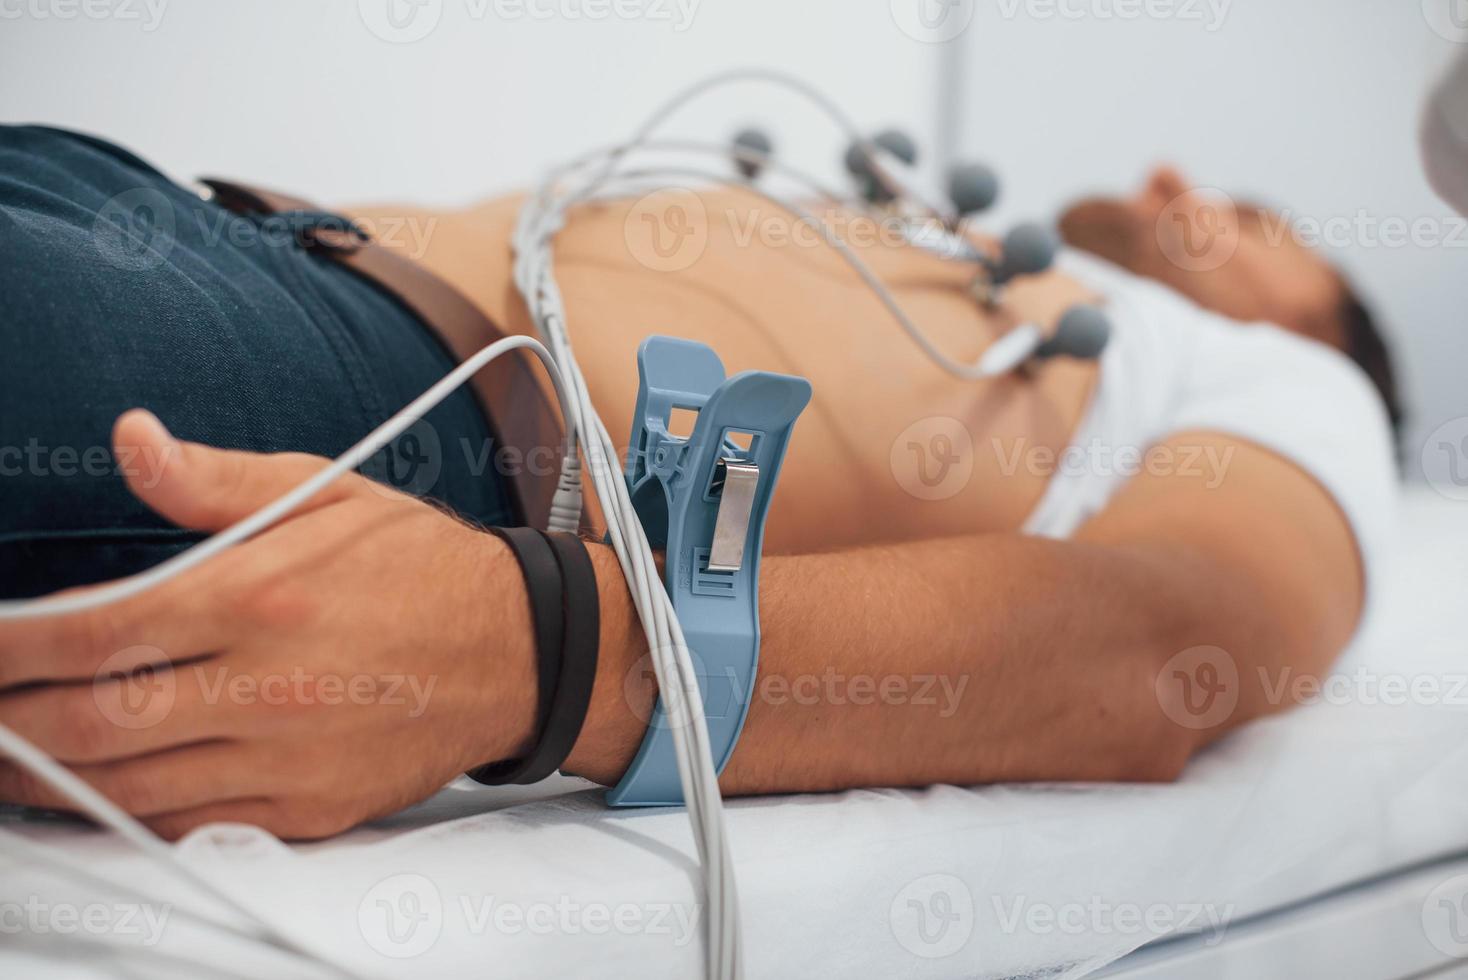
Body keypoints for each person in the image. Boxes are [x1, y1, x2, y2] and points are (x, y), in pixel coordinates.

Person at [0, 126, 1396, 841]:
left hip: (371, 398)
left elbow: (1162, 645)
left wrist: (532, 644)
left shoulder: (1291, 386)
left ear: (1323, 325)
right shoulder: (983, 242)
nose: (1169, 183)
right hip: (190, 217)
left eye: (1255, 227)